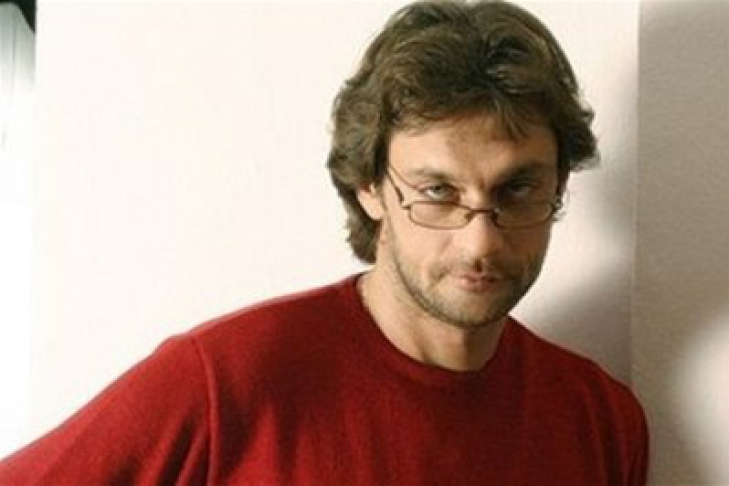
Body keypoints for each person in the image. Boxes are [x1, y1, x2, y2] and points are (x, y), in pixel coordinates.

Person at [0, 0, 649, 484]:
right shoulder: (223, 383)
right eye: (436, 191)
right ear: (370, 186)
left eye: (517, 190)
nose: (479, 240)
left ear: (558, 184)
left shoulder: (600, 420)